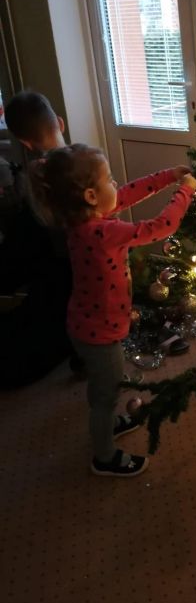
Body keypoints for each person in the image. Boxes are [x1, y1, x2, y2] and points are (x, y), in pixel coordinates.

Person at [28, 143, 196, 477]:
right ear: (91, 196)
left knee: (104, 385)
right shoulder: (102, 232)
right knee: (107, 393)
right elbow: (161, 227)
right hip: (100, 334)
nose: (116, 184)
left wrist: (169, 176)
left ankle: (105, 420)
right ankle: (104, 456)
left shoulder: (86, 219)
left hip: (90, 325)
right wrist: (185, 191)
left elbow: (128, 193)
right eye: (109, 179)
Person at [1, 91, 75, 386]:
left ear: (25, 143)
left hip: (60, 281)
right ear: (61, 123)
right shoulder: (90, 162)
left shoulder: (36, 179)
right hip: (85, 273)